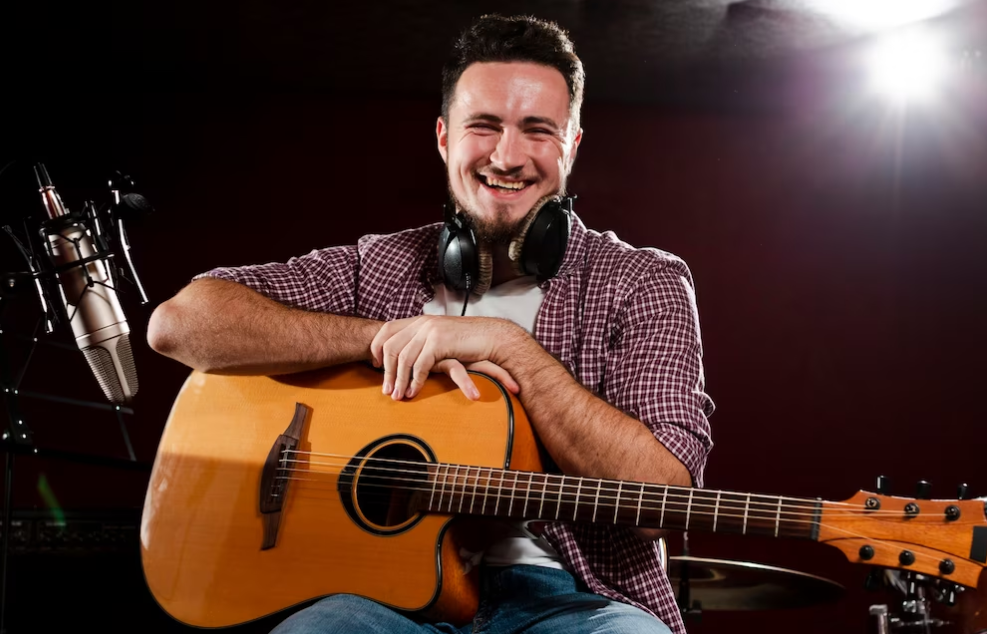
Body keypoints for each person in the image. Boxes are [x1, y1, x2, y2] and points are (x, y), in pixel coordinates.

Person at [147, 13, 713, 634]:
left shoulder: (643, 281)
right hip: (377, 599)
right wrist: (375, 338)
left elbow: (667, 499)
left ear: (572, 145)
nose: (508, 156)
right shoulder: (377, 264)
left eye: (538, 130)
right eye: (484, 126)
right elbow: (178, 324)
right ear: (444, 138)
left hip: (576, 602)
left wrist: (510, 348)